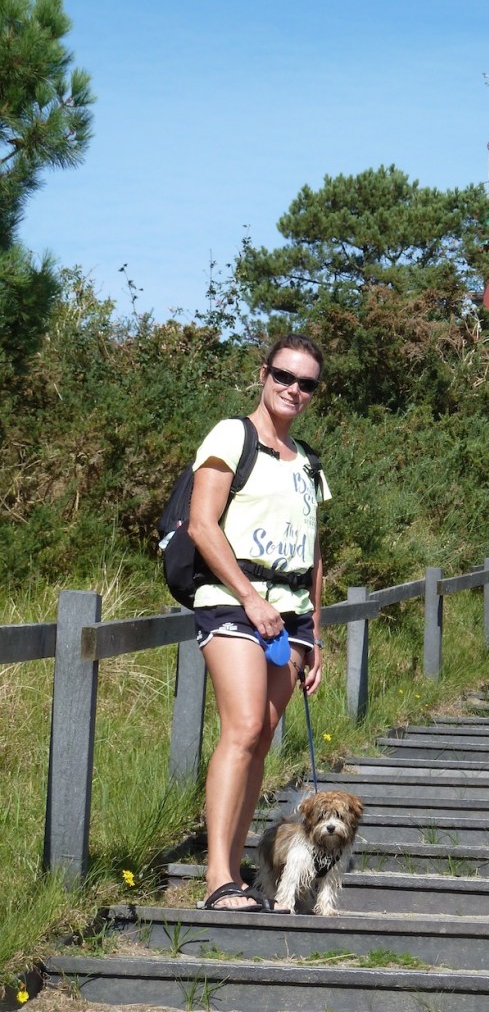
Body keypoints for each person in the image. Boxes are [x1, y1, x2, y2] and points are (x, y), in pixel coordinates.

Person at [188, 333, 330, 911]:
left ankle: (237, 868)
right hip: (232, 598)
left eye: (306, 383)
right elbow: (202, 524)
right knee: (243, 728)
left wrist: (316, 633)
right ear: (264, 374)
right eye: (283, 376)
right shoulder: (232, 435)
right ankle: (217, 877)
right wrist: (250, 597)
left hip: (292, 614)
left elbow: (316, 553)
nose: (292, 388)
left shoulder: (311, 464)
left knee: (262, 739)